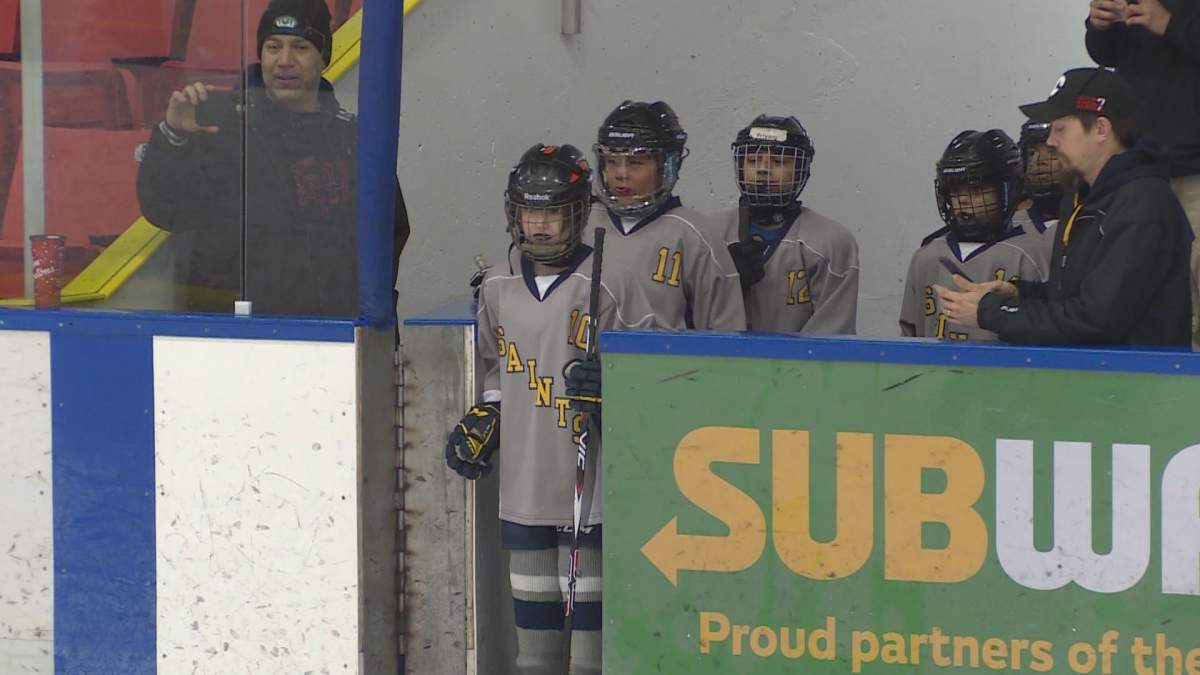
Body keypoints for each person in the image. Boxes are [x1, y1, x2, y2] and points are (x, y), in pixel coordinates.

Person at [446, 144, 657, 675]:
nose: (539, 225)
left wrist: (614, 387)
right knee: (534, 657)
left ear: (579, 214)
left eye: (553, 213)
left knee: (590, 659)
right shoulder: (496, 284)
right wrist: (490, 413)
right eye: (529, 212)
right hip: (525, 493)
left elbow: (655, 380)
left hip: (592, 497)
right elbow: (494, 369)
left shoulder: (612, 282)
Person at [137, 0, 409, 316]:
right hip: (240, 333)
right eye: (273, 47)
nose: (284, 61)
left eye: (301, 47)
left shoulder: (352, 139)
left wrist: (359, 311)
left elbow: (390, 231)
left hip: (333, 333)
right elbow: (165, 210)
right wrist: (173, 135)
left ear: (323, 56)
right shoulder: (222, 129)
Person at [937, 68, 1193, 347]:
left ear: (1100, 129)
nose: (1051, 141)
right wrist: (1020, 294)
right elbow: (1081, 297)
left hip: (1134, 374)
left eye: (1060, 129)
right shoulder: (1086, 196)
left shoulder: (1143, 204)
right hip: (1099, 372)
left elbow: (1095, 321)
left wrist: (992, 312)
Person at [1085, 0, 1200, 347]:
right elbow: (1107, 55)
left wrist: (1170, 24)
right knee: (1138, 292)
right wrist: (1099, 26)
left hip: (1194, 172)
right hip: (1140, 167)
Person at [584, 100, 746, 331]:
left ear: (667, 165)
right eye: (612, 161)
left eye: (636, 162)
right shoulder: (583, 223)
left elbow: (724, 334)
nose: (621, 174)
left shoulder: (695, 235)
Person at [899, 129, 1050, 342]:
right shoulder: (926, 256)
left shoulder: (1033, 254)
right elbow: (910, 334)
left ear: (1007, 190)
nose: (963, 200)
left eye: (977, 190)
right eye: (955, 191)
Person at [717, 115, 859, 334]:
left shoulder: (831, 243)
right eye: (753, 160)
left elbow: (830, 341)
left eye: (779, 161)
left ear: (800, 170)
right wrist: (723, 279)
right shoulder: (709, 235)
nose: (763, 169)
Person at [1018, 119, 1068, 242]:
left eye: (1053, 151)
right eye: (1032, 153)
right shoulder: (1012, 224)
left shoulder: (1095, 214)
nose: (1040, 161)